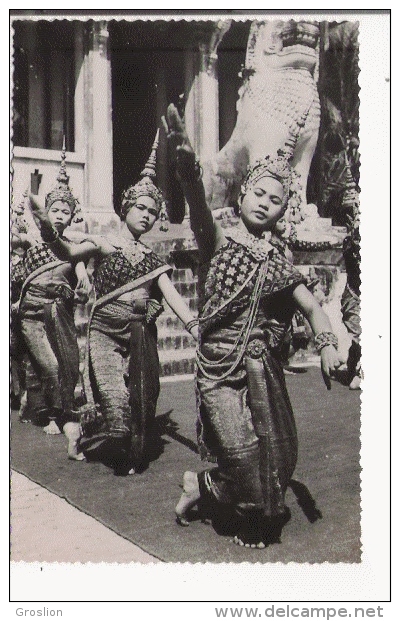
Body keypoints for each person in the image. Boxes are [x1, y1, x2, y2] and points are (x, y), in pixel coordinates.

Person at [163, 103, 342, 548]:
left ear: (283, 211)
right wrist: (187, 172)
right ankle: (217, 495)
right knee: (243, 457)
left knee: (276, 456)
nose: (265, 202)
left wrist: (326, 345)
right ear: (242, 196)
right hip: (218, 368)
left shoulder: (277, 261)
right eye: (259, 193)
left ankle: (203, 488)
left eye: (275, 199)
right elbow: (200, 212)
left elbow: (312, 306)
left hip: (262, 370)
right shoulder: (218, 243)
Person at [29, 131, 199, 476]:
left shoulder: (153, 259)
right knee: (117, 411)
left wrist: (195, 327)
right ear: (125, 208)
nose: (146, 216)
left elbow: (172, 295)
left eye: (152, 212)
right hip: (105, 332)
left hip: (138, 335)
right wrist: (49, 229)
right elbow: (68, 252)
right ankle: (85, 433)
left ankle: (114, 440)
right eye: (140, 207)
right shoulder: (105, 243)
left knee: (143, 400)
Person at [11, 150, 90, 460]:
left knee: (65, 364)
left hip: (59, 313)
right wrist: (17, 220)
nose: (59, 215)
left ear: (72, 217)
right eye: (54, 209)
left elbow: (79, 268)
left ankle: (56, 411)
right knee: (50, 365)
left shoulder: (72, 246)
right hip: (30, 314)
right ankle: (57, 413)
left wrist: (83, 281)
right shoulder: (33, 239)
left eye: (65, 212)